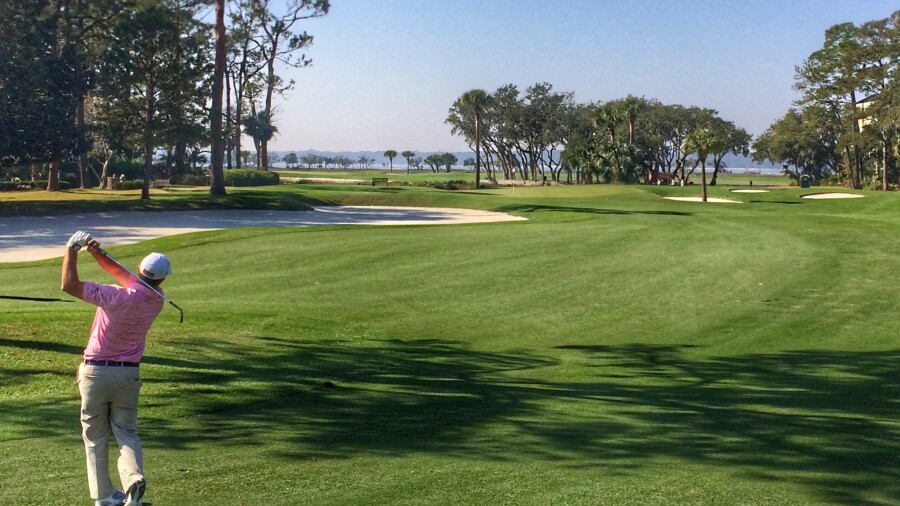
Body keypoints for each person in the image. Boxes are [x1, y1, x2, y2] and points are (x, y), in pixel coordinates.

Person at [61, 231, 172, 506]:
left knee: (95, 436)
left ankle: (104, 496)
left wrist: (72, 250)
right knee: (127, 431)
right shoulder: (157, 299)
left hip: (95, 372)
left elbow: (69, 285)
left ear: (138, 270)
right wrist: (96, 252)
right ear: (162, 279)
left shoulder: (112, 295)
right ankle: (133, 480)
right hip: (127, 375)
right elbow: (126, 276)